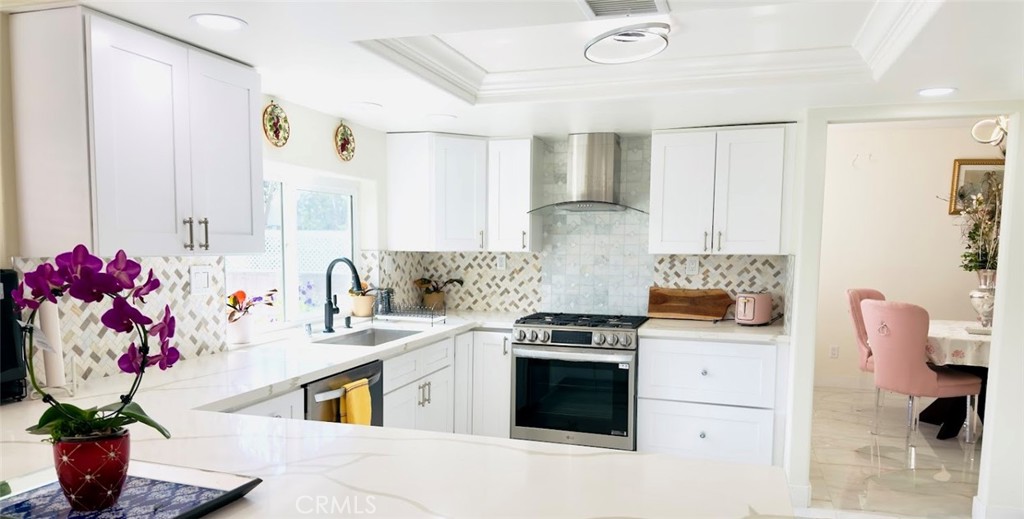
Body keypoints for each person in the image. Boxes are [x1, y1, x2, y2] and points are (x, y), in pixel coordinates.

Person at [919, 365, 988, 440]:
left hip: (924, 367)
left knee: (982, 372)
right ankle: (994, 426)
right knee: (985, 372)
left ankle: (936, 419)